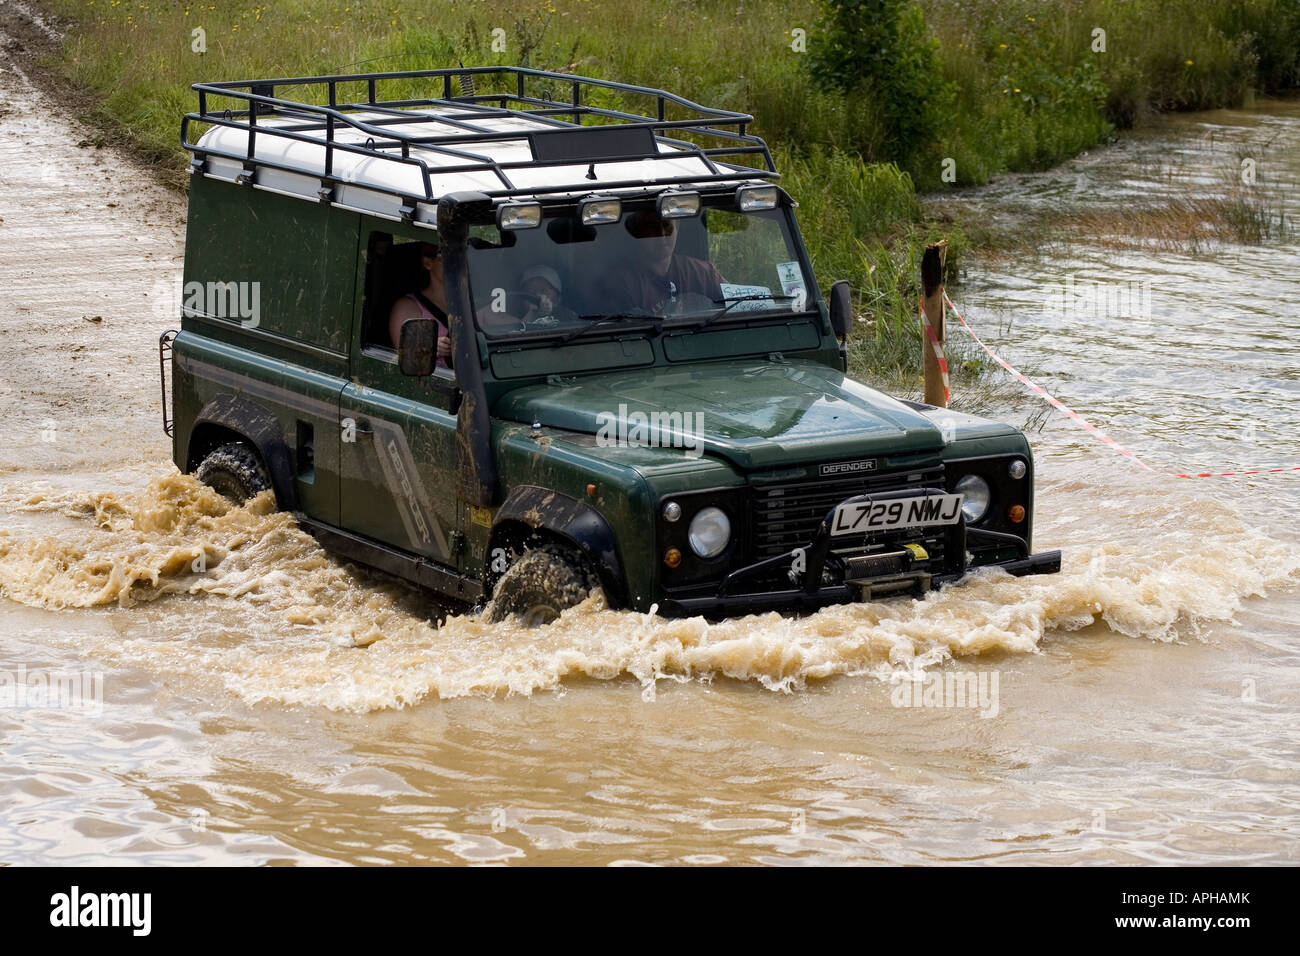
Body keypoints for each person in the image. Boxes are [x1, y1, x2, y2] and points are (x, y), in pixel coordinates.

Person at [593, 210, 725, 315]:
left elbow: (740, 304)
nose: (661, 234)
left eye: (666, 225)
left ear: (677, 226)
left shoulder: (703, 273)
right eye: (652, 226)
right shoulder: (619, 283)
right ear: (636, 232)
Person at [388, 241, 452, 368]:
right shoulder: (407, 307)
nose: (456, 263)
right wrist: (431, 348)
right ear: (428, 263)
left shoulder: (476, 306)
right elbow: (404, 359)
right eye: (447, 255)